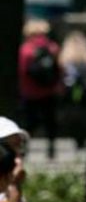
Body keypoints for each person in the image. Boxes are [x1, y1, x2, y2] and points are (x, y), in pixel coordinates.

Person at [18, 19, 62, 159]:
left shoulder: (25, 50)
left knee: (29, 123)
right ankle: (51, 150)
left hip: (29, 92)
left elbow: (23, 71)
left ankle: (24, 150)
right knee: (50, 122)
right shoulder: (53, 48)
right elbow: (59, 70)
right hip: (49, 92)